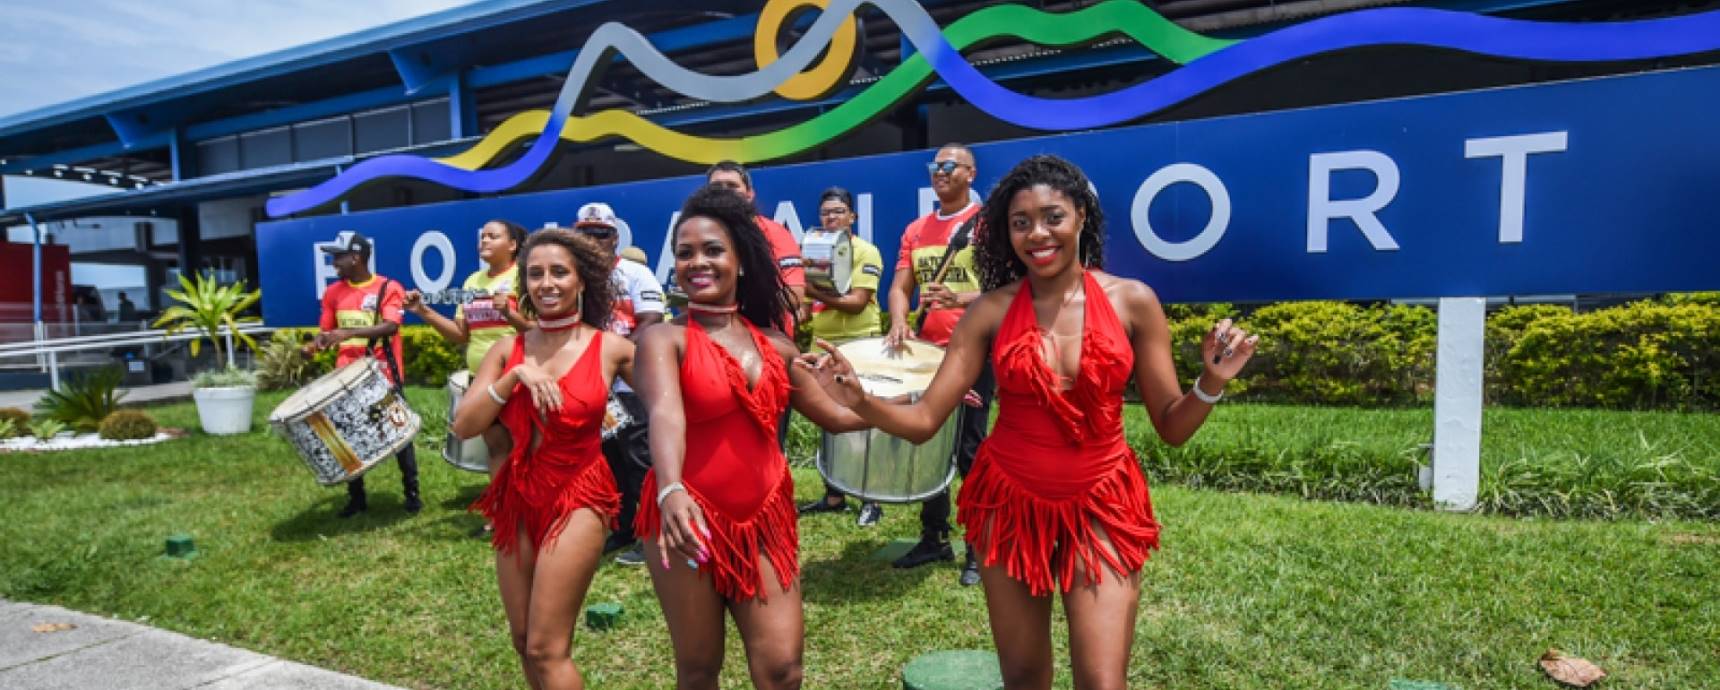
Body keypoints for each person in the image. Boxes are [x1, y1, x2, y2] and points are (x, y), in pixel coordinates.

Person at [801, 155, 1257, 690]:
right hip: (1010, 504)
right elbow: (926, 420)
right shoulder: (990, 312)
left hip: (1102, 503)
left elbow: (1173, 427)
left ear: (1082, 216)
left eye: (1052, 216)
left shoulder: (1134, 302)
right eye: (1021, 222)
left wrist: (1212, 382)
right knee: (1023, 678)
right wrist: (860, 399)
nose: (1037, 233)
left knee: (1103, 681)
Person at [634, 185, 866, 690]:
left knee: (783, 669)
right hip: (685, 518)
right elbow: (665, 413)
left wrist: (910, 401)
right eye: (685, 252)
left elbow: (839, 417)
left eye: (713, 250)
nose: (698, 262)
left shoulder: (777, 346)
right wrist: (671, 488)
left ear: (740, 261)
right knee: (699, 671)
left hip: (764, 519)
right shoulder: (662, 340)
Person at [453, 228, 635, 690]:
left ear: (581, 281)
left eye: (559, 272)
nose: (547, 283)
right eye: (535, 274)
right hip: (515, 499)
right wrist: (514, 376)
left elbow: (677, 400)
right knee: (521, 640)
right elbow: (465, 426)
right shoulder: (507, 351)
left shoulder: (610, 348)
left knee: (545, 648)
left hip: (579, 496)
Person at [884, 143, 990, 584]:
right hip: (928, 353)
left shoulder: (988, 226)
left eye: (949, 166)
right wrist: (898, 322)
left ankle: (979, 548)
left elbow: (1014, 289)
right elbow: (899, 286)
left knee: (969, 448)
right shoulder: (916, 228)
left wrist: (960, 298)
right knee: (929, 445)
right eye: (935, 166)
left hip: (975, 350)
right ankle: (934, 538)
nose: (939, 172)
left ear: (970, 173)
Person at [571, 202, 666, 567]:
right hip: (596, 385)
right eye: (585, 233)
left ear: (615, 237)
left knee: (641, 459)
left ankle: (651, 534)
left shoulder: (634, 273)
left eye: (600, 234)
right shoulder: (575, 277)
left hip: (631, 382)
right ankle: (625, 527)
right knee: (612, 460)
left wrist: (611, 355)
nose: (593, 240)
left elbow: (651, 321)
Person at [302, 231, 421, 518]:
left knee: (399, 434)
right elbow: (327, 333)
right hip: (344, 379)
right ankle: (356, 498)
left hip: (383, 376)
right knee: (346, 438)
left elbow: (391, 326)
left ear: (356, 257)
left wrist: (350, 332)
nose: (334, 264)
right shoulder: (333, 293)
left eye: (338, 257)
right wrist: (313, 347)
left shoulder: (388, 287)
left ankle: (412, 494)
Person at [795, 186, 886, 526]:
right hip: (824, 344)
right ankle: (834, 495)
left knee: (862, 422)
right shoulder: (814, 250)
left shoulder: (865, 251)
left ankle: (872, 499)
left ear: (852, 216)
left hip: (859, 343)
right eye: (825, 213)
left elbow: (857, 302)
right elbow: (804, 307)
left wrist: (812, 290)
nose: (830, 218)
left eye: (837, 212)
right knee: (827, 420)